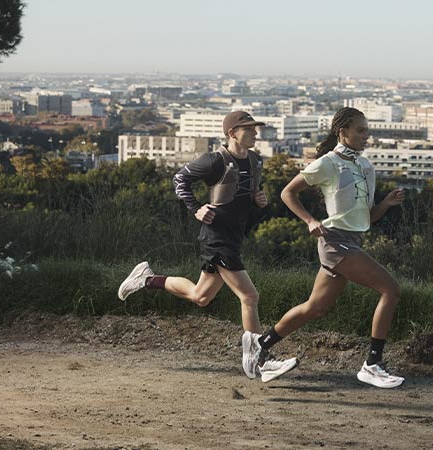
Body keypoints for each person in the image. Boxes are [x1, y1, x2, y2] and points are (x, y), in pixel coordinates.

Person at [117, 110, 298, 382]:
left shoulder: (255, 161)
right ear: (232, 133)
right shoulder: (214, 161)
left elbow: (244, 196)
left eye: (255, 128)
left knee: (201, 297)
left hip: (233, 237)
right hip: (216, 237)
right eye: (249, 129)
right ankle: (259, 360)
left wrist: (258, 199)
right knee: (250, 297)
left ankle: (147, 279)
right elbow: (179, 180)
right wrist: (196, 208)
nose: (256, 133)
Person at [254, 107, 406, 388]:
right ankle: (372, 364)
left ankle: (260, 347)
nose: (366, 135)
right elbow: (287, 193)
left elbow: (366, 219)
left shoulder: (365, 167)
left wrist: (386, 204)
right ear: (342, 132)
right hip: (335, 242)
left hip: (352, 240)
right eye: (360, 130)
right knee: (391, 289)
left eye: (367, 130)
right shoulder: (327, 163)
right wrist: (310, 220)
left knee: (316, 308)